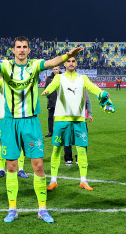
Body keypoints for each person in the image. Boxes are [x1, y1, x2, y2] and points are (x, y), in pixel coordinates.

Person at [0, 37, 83, 223]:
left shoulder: (34, 66)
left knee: (38, 165)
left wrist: (68, 55)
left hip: (30, 122)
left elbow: (52, 62)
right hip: (10, 123)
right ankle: (12, 209)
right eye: (18, 47)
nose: (21, 50)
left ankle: (42, 209)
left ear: (29, 50)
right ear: (13, 50)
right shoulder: (6, 66)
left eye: (24, 47)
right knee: (11, 166)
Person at [41, 56, 116, 192]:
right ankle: (53, 180)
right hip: (61, 119)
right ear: (64, 64)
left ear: (76, 63)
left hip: (79, 120)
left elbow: (92, 87)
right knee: (57, 149)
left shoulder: (83, 78)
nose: (71, 63)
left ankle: (83, 181)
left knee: (81, 150)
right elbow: (52, 86)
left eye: (73, 61)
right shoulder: (59, 78)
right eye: (68, 61)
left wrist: (102, 93)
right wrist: (48, 90)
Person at [0, 77, 28, 180]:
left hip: (19, 116)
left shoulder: (22, 80)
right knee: (2, 142)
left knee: (20, 141)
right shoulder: (3, 80)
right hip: (4, 117)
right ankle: (1, 169)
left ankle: (21, 169)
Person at [44, 66, 60, 138]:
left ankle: (59, 132)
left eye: (56, 69)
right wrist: (50, 97)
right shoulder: (49, 78)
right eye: (54, 69)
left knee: (60, 118)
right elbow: (46, 89)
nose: (55, 70)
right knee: (50, 117)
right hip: (51, 102)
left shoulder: (63, 77)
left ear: (59, 69)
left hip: (61, 102)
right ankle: (50, 132)